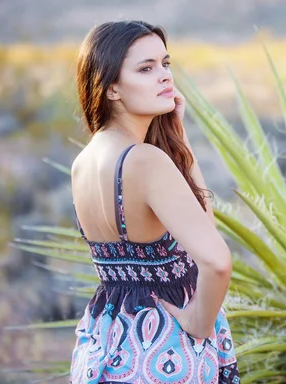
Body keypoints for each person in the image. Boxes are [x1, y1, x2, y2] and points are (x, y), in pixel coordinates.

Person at [69, 20, 240, 384]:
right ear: (111, 88)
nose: (164, 76)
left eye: (165, 64)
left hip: (104, 343)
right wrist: (199, 322)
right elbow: (216, 259)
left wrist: (177, 133)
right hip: (162, 349)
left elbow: (200, 229)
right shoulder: (145, 161)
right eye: (146, 69)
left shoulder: (82, 162)